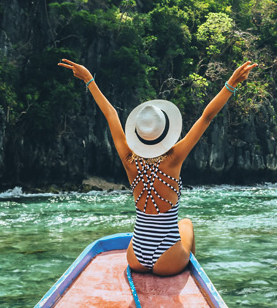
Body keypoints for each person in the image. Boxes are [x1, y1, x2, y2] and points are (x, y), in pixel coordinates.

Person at [58, 58, 258, 276]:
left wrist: (89, 80)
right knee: (187, 223)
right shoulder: (174, 158)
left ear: (138, 136)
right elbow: (207, 117)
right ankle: (192, 276)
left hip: (136, 257)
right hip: (168, 259)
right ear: (166, 133)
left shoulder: (128, 159)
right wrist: (231, 83)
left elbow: (111, 114)